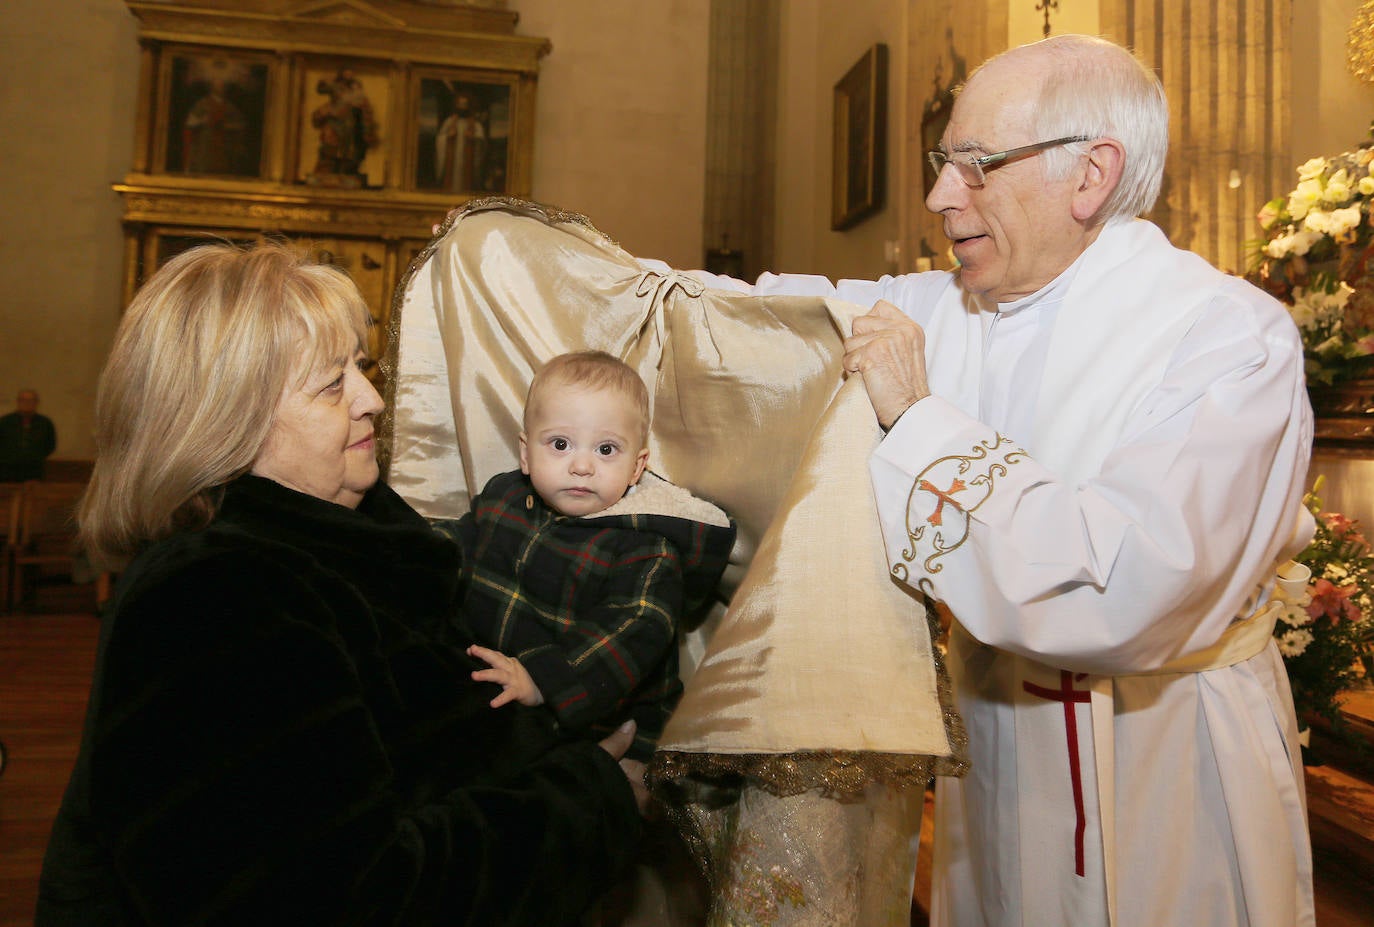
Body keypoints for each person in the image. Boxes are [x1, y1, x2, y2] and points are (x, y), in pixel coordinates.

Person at [690, 33, 1315, 927]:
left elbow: (1122, 590)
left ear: (1091, 174)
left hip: (1170, 762)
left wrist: (917, 419)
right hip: (992, 750)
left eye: (976, 165)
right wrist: (552, 276)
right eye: (943, 164)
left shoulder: (1227, 339)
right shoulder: (948, 308)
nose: (941, 196)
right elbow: (755, 321)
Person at [35, 242, 645, 926]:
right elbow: (332, 900)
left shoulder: (348, 539)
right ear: (226, 422)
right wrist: (588, 803)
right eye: (332, 383)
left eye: (362, 366)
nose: (372, 399)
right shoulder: (214, 598)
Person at [449, 350, 736, 763]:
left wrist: (545, 681)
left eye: (606, 449)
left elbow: (633, 629)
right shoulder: (504, 497)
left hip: (599, 717)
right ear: (526, 454)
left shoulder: (645, 550)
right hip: (500, 684)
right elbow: (458, 546)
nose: (582, 465)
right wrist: (413, 549)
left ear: (636, 467)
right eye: (560, 444)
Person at [0, 388, 57, 482]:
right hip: (7, 471)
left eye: (31, 400)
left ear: (36, 403)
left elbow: (50, 445)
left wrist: (35, 457)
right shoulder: (5, 422)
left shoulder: (45, 423)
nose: (27, 403)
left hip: (34, 471)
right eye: (23, 400)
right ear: (18, 402)